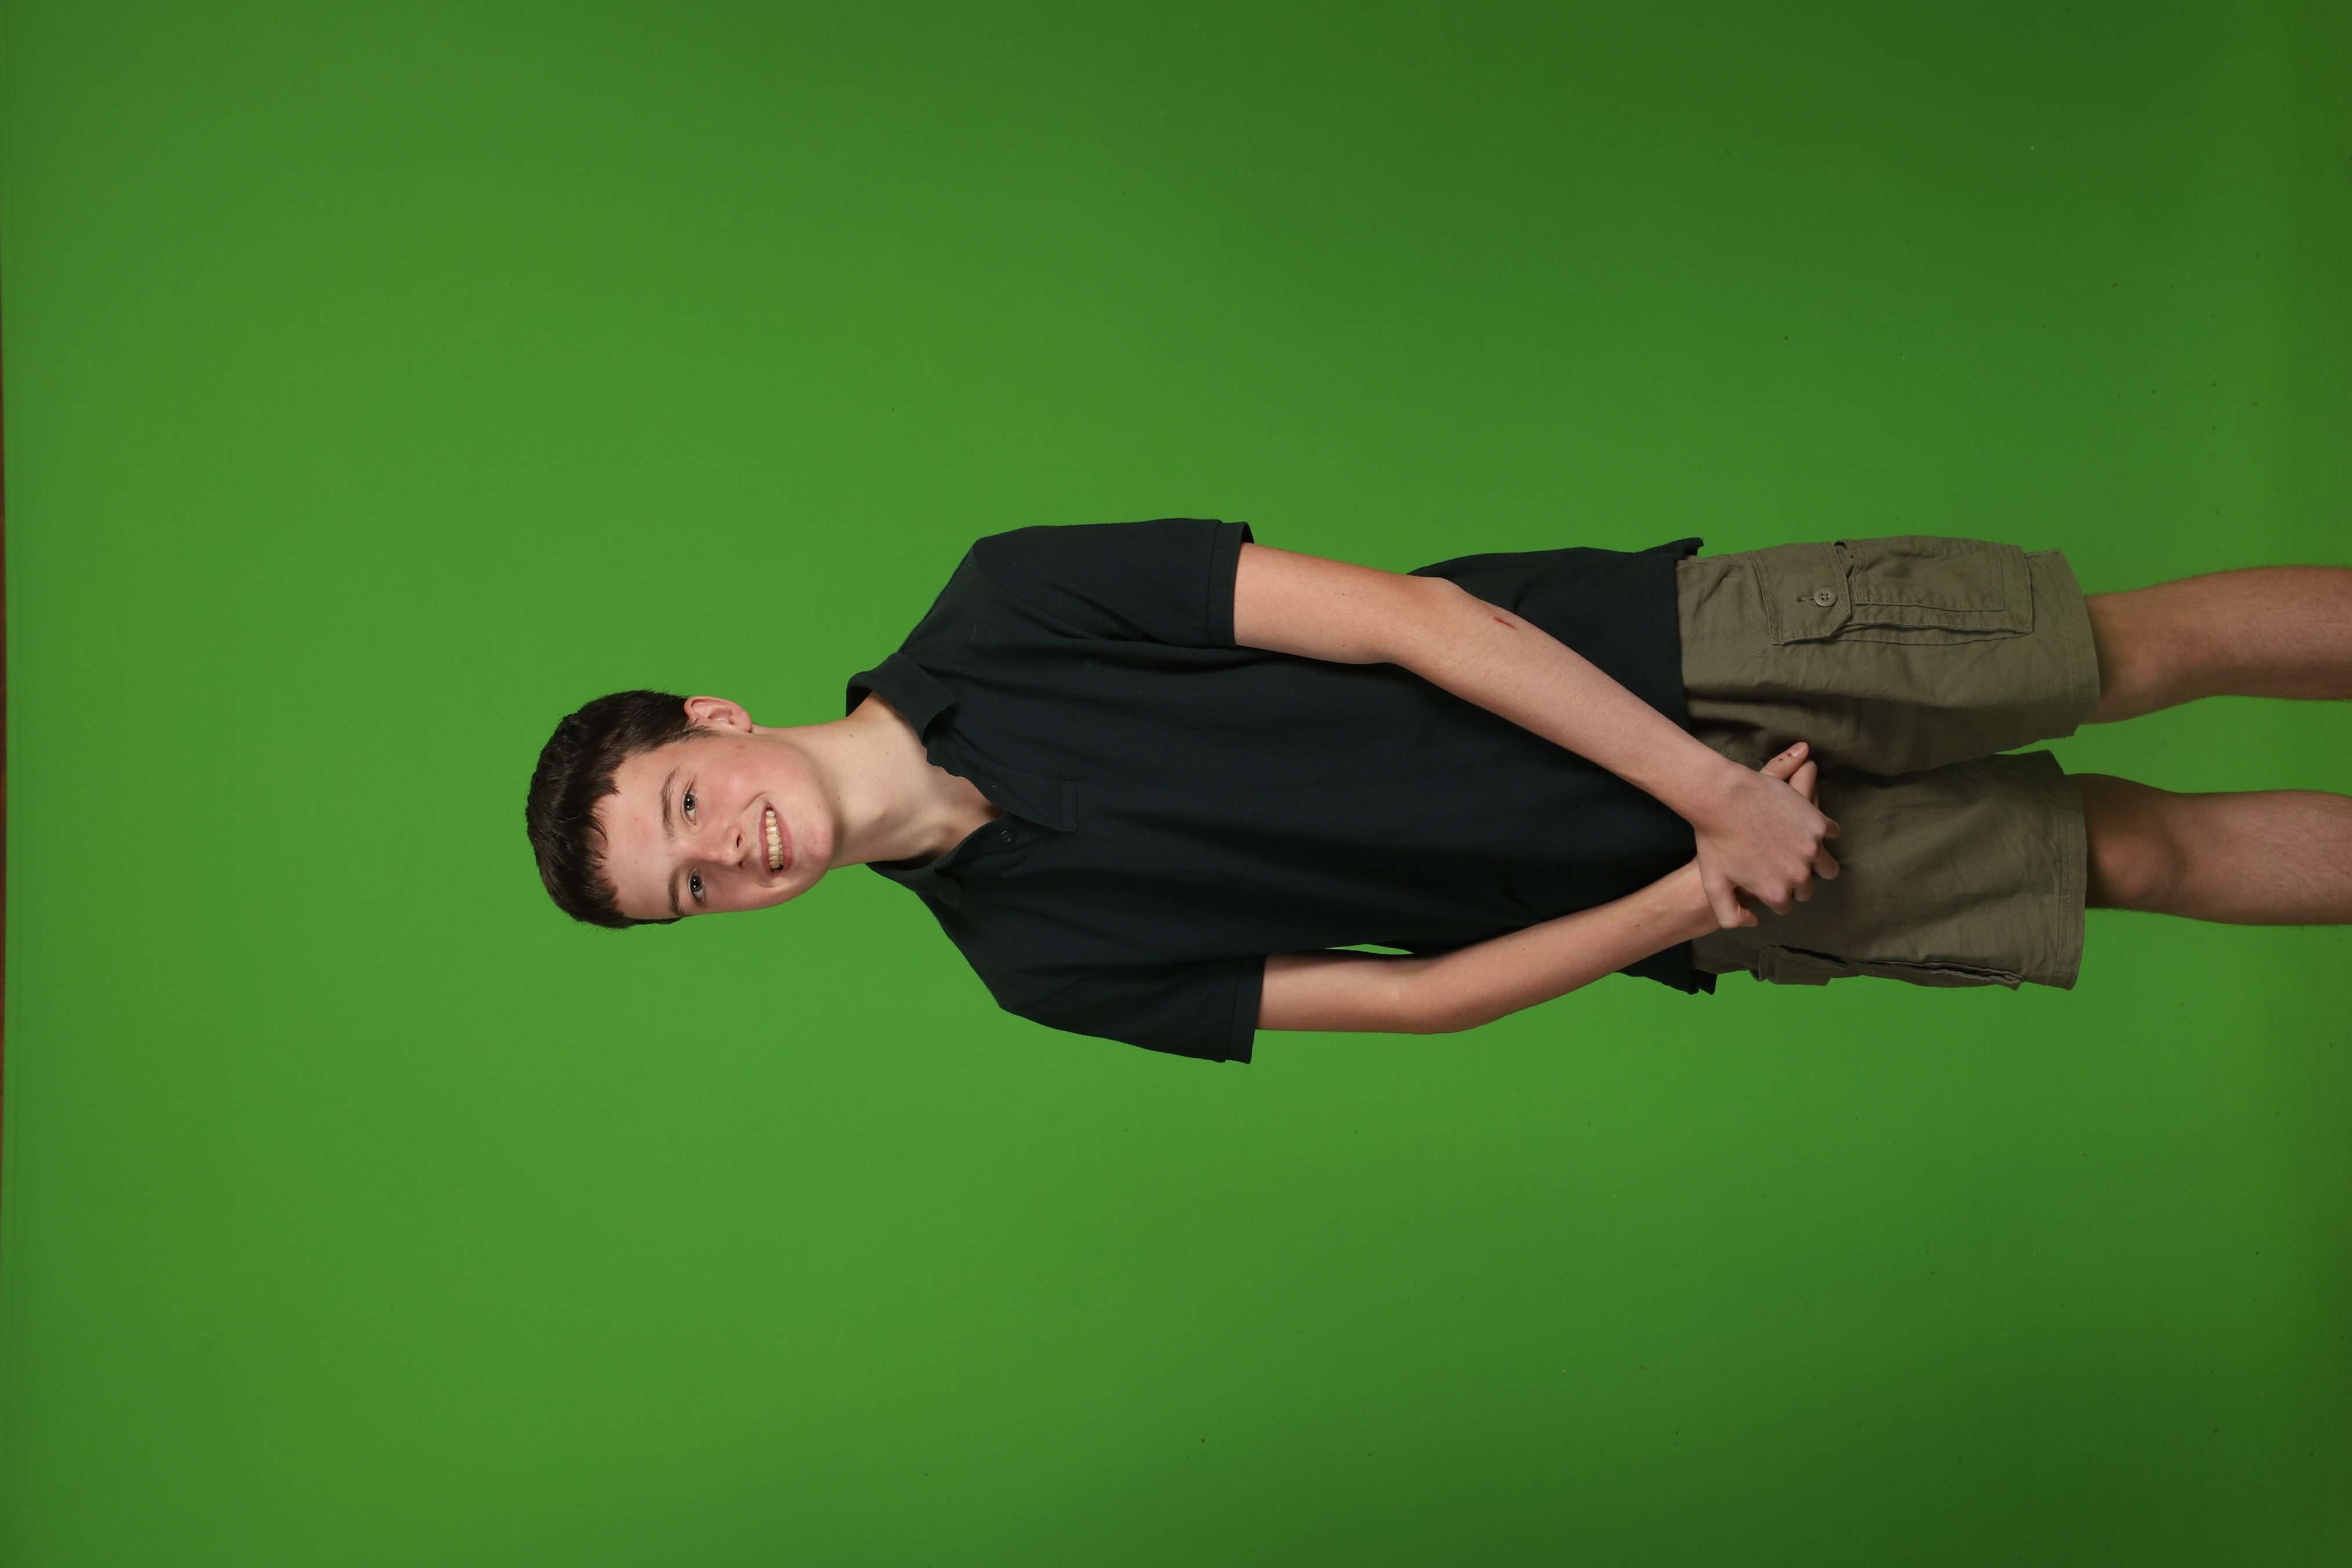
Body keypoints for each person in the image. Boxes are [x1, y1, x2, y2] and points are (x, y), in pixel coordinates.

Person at [524, 521, 2352, 1061]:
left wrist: (1709, 791)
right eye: (692, 892)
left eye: (684, 809)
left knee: (2124, 652)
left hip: (1673, 659)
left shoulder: (1011, 603)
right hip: (1697, 887)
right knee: (2136, 857)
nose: (730, 856)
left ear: (715, 718)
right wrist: (1691, 889)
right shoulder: (1037, 967)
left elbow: (1415, 620)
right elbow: (1415, 1002)